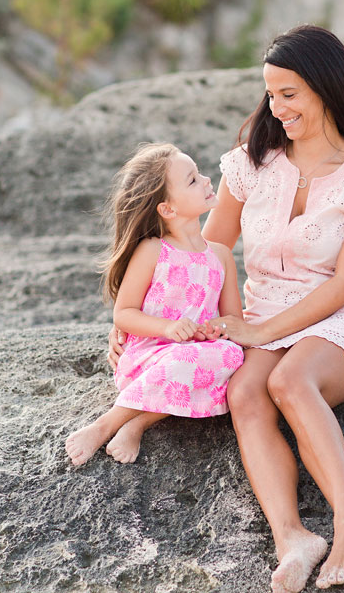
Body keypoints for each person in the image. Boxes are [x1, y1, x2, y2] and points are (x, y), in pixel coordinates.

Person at [109, 25, 344, 591]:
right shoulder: (252, 163)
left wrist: (262, 330)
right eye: (271, 94)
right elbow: (208, 249)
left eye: (289, 94)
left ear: (326, 88)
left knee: (291, 381)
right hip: (260, 314)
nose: (277, 107)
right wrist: (148, 319)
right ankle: (292, 536)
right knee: (245, 391)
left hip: (343, 321)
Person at [66, 143, 244, 467]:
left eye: (200, 173)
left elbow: (233, 321)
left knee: (232, 354)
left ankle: (137, 423)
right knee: (184, 357)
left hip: (194, 356)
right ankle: (105, 425)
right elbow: (124, 313)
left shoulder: (220, 256)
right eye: (192, 180)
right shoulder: (153, 250)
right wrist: (168, 327)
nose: (206, 180)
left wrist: (212, 331)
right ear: (168, 210)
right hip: (148, 356)